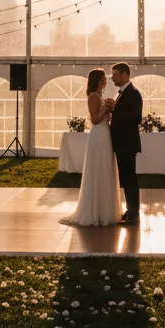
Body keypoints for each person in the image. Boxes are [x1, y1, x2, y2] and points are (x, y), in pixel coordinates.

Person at [60, 68, 121, 226]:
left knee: (105, 169)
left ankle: (104, 210)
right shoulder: (93, 97)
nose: (105, 82)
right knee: (98, 169)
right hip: (98, 136)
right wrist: (106, 110)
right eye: (102, 79)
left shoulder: (100, 96)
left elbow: (104, 119)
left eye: (105, 80)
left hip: (105, 135)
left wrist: (111, 110)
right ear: (96, 81)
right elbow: (94, 120)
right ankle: (94, 211)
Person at [108, 61, 143, 224]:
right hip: (122, 143)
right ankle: (130, 211)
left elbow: (136, 118)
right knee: (126, 177)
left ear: (125, 75)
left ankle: (134, 215)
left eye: (115, 75)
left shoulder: (133, 93)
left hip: (127, 143)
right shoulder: (122, 93)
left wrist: (115, 115)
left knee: (129, 178)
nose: (112, 78)